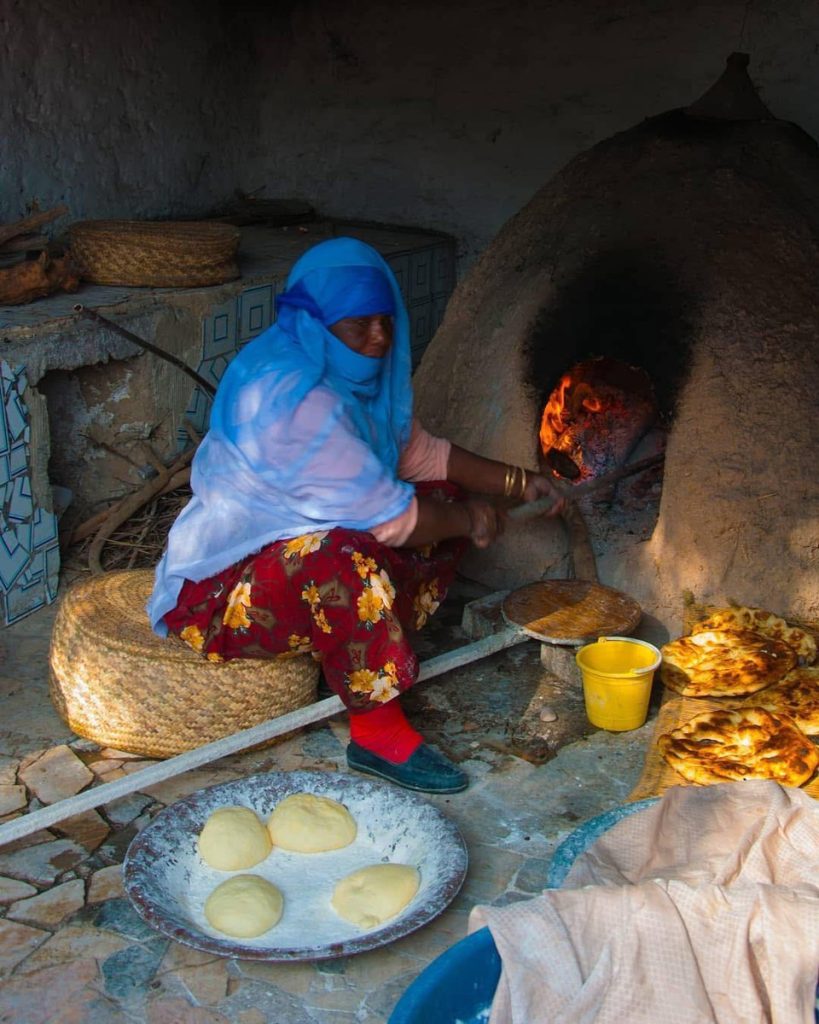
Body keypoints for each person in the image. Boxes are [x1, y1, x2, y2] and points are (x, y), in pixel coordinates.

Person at [148, 237, 563, 794]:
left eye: (385, 320)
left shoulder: (354, 379)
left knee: (429, 494)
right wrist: (470, 518)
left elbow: (420, 456)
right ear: (315, 322)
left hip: (290, 558)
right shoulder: (296, 398)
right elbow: (396, 522)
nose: (379, 338)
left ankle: (361, 639)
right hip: (222, 593)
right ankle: (376, 735)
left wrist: (519, 481)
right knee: (342, 556)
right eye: (358, 324)